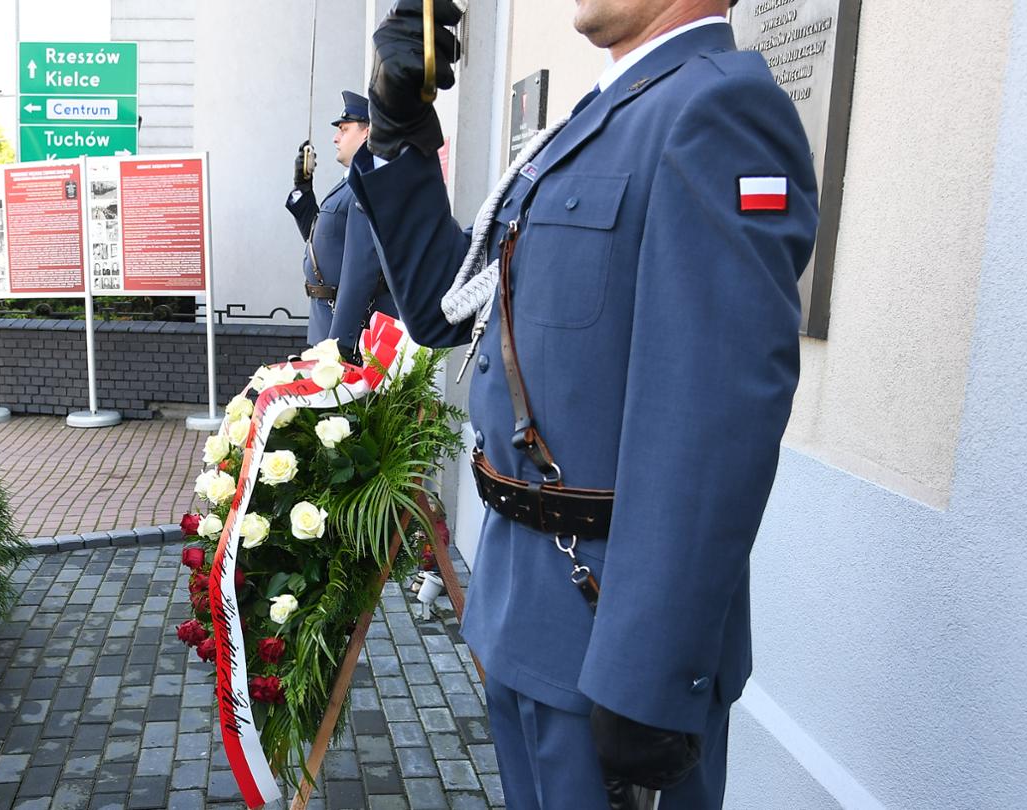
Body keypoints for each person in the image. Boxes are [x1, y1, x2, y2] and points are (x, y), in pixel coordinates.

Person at [350, 1, 817, 808]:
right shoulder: (604, 112)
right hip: (528, 608)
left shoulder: (717, 110)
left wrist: (649, 676)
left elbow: (716, 424)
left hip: (612, 641)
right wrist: (399, 131)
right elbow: (443, 307)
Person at [284, 90, 397, 348]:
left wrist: (340, 344)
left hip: (349, 327)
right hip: (327, 320)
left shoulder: (368, 184)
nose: (336, 138)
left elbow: (361, 270)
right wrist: (302, 188)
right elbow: (324, 240)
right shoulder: (352, 182)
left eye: (344, 130)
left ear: (367, 132)